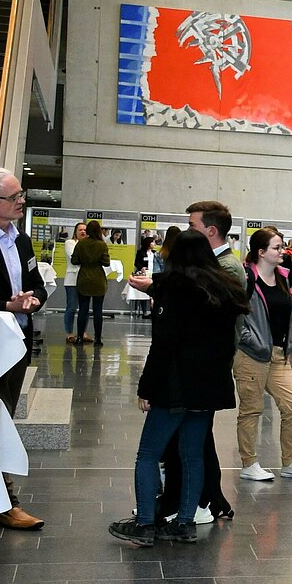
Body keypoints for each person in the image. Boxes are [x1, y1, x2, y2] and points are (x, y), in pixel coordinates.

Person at [108, 230, 249, 547]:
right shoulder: (226, 290)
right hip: (208, 387)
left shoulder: (174, 289)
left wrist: (146, 387)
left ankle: (145, 524)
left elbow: (164, 345)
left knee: (148, 454)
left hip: (175, 386)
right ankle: (185, 522)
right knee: (193, 455)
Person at [234, 227, 292, 483]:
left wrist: (287, 344)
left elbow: (286, 315)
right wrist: (249, 340)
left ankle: (289, 462)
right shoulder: (247, 279)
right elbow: (236, 317)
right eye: (277, 248)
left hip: (278, 354)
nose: (282, 251)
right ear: (261, 252)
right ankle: (249, 463)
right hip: (251, 355)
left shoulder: (283, 277)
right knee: (252, 409)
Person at [0, 169, 46, 530]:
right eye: (14, 197)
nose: (21, 201)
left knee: (2, 421)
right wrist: (5, 305)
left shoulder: (22, 241)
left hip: (14, 346)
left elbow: (37, 284)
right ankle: (5, 500)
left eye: (21, 194)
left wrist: (33, 300)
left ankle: (3, 497)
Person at [70, 218, 110, 345]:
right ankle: (98, 338)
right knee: (98, 311)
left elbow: (74, 261)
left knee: (83, 309)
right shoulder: (102, 244)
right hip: (98, 279)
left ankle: (80, 337)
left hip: (84, 279)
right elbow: (106, 262)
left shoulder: (81, 244)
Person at [61, 221, 86, 342]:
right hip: (72, 280)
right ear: (75, 232)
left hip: (85, 279)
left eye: (85, 230)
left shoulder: (88, 244)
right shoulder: (69, 243)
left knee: (84, 308)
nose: (83, 231)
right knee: (71, 307)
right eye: (80, 230)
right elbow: (74, 258)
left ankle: (82, 332)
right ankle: (69, 333)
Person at [133, 235, 156, 318]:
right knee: (143, 293)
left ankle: (152, 311)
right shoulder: (140, 252)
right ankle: (144, 311)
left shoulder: (154, 253)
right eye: (152, 242)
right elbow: (136, 263)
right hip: (144, 274)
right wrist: (141, 267)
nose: (154, 244)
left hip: (153, 273)